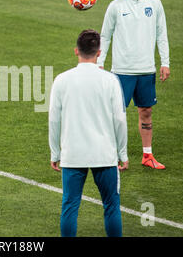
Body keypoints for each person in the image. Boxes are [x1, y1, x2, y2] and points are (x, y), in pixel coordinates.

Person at [49, 29, 128, 237]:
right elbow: (120, 119)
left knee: (70, 207)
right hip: (104, 154)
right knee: (111, 205)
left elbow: (54, 120)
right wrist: (123, 153)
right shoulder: (110, 80)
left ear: (76, 51)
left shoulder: (61, 80)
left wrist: (55, 153)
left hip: (73, 155)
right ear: (99, 52)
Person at [98, 0, 170, 170]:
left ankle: (147, 155)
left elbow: (161, 35)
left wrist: (165, 62)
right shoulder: (116, 6)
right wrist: (100, 63)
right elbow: (105, 36)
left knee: (146, 112)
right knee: (116, 115)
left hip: (147, 70)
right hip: (122, 71)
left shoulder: (155, 4)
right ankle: (112, 156)